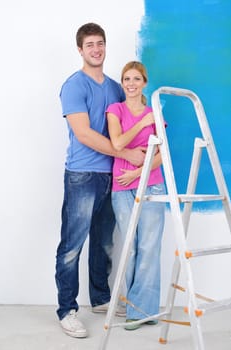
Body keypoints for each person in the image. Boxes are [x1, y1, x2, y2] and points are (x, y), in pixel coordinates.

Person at [55, 24, 146, 339]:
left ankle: (100, 298)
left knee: (105, 243)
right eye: (90, 45)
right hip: (82, 174)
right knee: (72, 246)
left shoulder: (115, 87)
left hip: (115, 176)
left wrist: (140, 152)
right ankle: (67, 310)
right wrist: (129, 153)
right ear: (80, 50)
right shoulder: (74, 86)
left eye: (101, 44)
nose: (96, 49)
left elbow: (128, 122)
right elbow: (83, 134)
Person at [106, 61, 166, 330]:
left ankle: (145, 310)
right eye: (126, 79)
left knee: (149, 246)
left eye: (136, 79)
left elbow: (161, 155)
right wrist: (143, 122)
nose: (131, 84)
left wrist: (138, 172)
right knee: (129, 247)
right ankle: (132, 308)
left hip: (152, 185)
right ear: (122, 83)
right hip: (122, 186)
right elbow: (117, 143)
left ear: (144, 82)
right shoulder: (115, 110)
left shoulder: (156, 113)